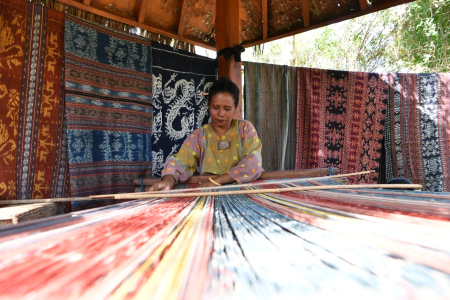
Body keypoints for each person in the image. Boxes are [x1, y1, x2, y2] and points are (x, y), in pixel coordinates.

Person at [150, 77, 264, 191]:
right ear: (209, 106)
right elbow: (180, 162)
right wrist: (168, 181)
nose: (221, 113)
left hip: (240, 189)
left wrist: (217, 181)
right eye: (216, 107)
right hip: (209, 191)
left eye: (227, 108)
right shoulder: (199, 136)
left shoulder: (245, 129)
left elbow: (253, 163)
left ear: (235, 108)